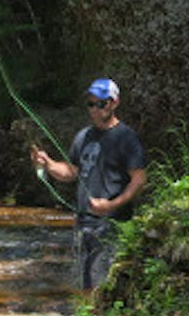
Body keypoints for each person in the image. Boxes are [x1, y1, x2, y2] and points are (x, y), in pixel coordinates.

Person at [29, 78, 147, 289]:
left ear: (114, 103)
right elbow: (70, 173)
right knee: (86, 283)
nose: (94, 109)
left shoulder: (126, 138)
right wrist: (47, 163)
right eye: (91, 104)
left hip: (113, 223)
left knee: (100, 282)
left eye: (100, 104)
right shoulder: (83, 137)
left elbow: (139, 180)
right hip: (84, 223)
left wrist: (112, 205)